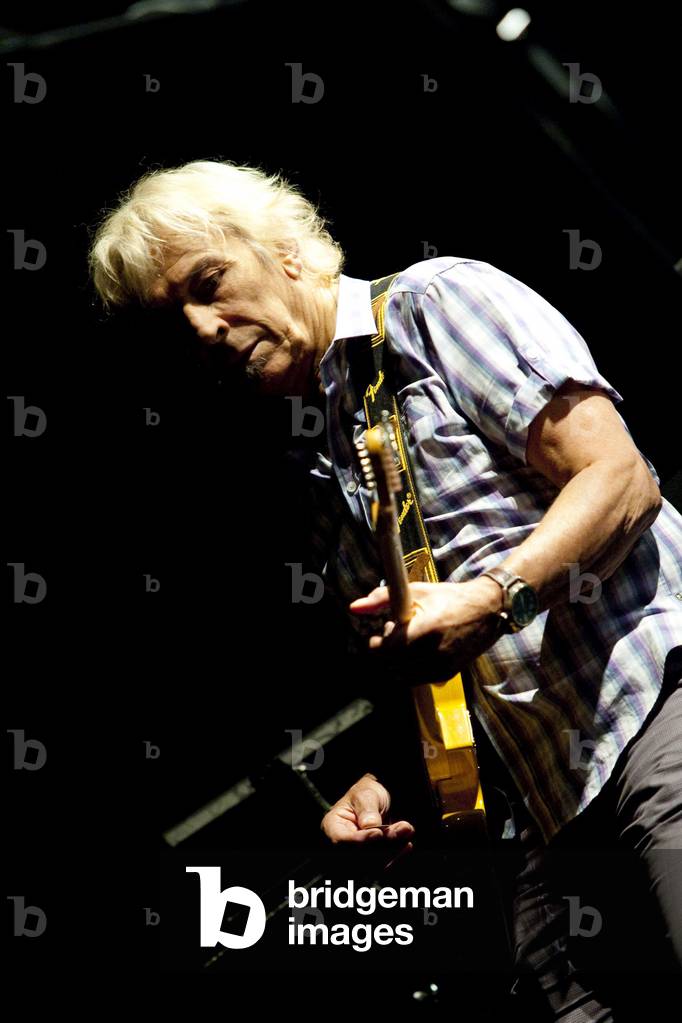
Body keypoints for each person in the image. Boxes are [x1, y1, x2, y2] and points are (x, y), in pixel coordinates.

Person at [88, 159, 682, 1017]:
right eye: (174, 319)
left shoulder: (433, 305)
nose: (203, 328)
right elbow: (442, 668)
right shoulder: (312, 463)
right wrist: (387, 778)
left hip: (656, 706)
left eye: (208, 284)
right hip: (555, 813)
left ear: (285, 249)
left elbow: (622, 479)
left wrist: (493, 597)